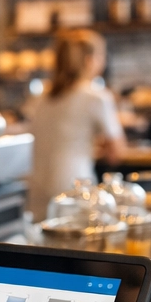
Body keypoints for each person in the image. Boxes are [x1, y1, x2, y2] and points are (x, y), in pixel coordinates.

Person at [24, 29, 125, 219]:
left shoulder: (38, 97)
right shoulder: (96, 96)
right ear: (89, 60)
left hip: (38, 189)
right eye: (101, 56)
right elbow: (116, 153)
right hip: (75, 188)